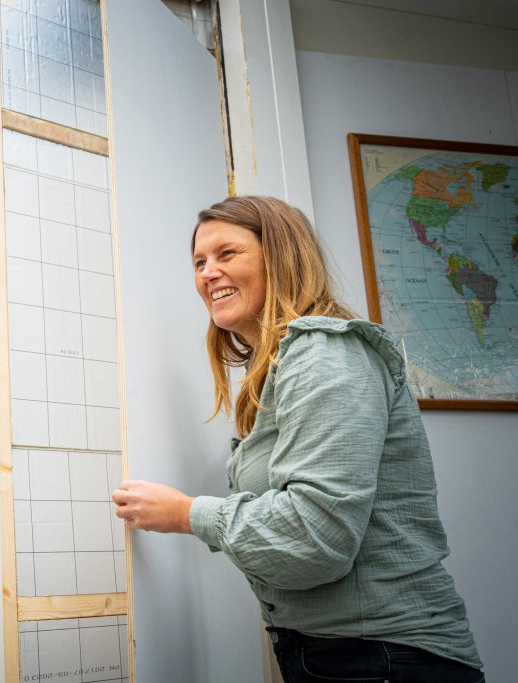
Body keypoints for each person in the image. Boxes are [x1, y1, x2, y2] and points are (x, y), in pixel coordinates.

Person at [112, 196, 483, 682]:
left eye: (227, 254)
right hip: (344, 656)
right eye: (199, 262)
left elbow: (315, 536)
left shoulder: (326, 357)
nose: (207, 274)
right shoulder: (283, 366)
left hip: (385, 658)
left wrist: (186, 514)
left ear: (281, 256)